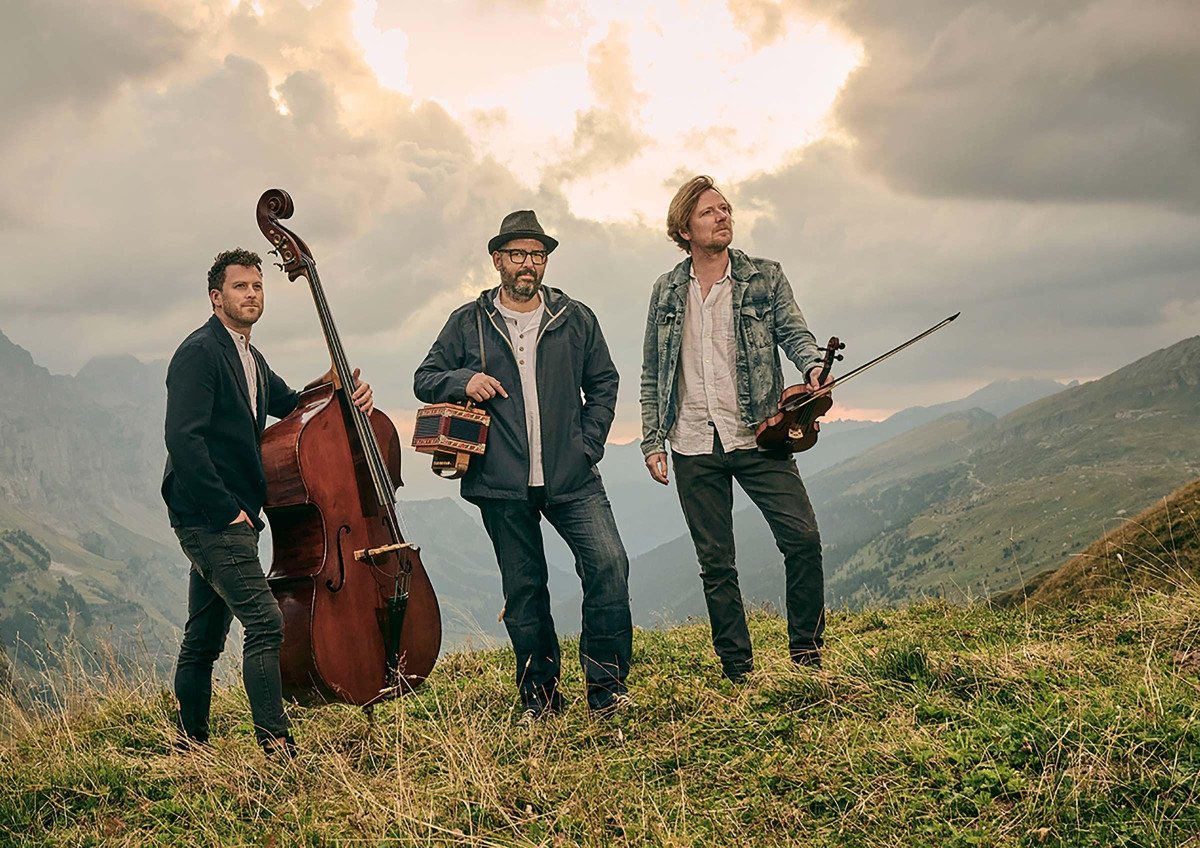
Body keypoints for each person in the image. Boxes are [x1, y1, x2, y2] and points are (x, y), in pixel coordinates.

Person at [414, 211, 632, 722]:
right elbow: (425, 377)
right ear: (497, 261)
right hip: (498, 481)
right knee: (525, 590)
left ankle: (607, 691)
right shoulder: (468, 321)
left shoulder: (574, 317)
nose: (528, 264)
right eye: (517, 255)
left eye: (536, 255)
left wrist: (589, 444)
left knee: (609, 566)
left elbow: (604, 383)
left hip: (572, 477)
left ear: (545, 261)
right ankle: (540, 698)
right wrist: (463, 380)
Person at [163, 247, 374, 755]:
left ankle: (190, 746)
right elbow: (182, 439)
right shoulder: (200, 352)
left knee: (204, 637)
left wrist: (336, 386)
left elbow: (289, 405)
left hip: (229, 516)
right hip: (211, 516)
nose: (252, 294)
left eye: (257, 286)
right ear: (216, 298)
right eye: (240, 286)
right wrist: (226, 510)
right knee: (265, 621)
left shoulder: (248, 355)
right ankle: (276, 746)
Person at [639, 175, 828, 682]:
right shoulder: (666, 290)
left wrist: (813, 368)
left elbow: (795, 332)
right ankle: (739, 670)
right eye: (709, 212)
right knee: (716, 564)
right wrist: (652, 439)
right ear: (684, 227)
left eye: (725, 209)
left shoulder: (764, 276)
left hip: (758, 433)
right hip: (692, 442)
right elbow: (654, 370)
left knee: (803, 541)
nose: (723, 216)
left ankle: (807, 658)